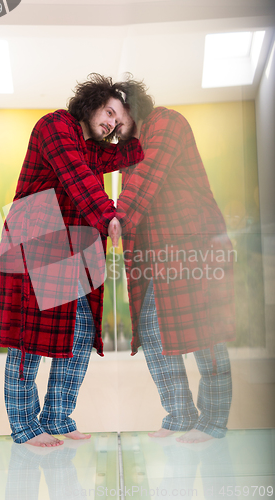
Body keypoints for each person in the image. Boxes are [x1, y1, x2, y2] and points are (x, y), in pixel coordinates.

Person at [0, 74, 143, 447]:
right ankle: (25, 426)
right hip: (35, 242)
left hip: (73, 249)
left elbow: (127, 152)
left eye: (117, 121)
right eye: (109, 111)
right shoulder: (55, 126)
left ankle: (58, 417)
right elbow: (76, 174)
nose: (110, 123)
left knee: (78, 336)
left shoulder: (89, 147)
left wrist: (135, 127)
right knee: (30, 342)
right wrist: (108, 214)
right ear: (91, 102)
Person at [110, 78, 236, 443]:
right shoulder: (129, 151)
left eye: (116, 113)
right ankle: (180, 413)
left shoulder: (167, 123)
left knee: (205, 334)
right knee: (151, 329)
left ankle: (213, 422)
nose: (113, 124)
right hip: (158, 255)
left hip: (195, 244)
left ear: (132, 105)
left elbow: (148, 178)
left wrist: (115, 218)